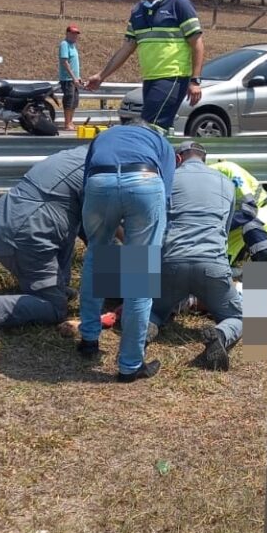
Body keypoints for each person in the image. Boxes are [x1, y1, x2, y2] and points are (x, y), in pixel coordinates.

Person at [76, 121, 177, 381]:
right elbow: (165, 188)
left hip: (99, 184)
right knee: (139, 273)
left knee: (98, 259)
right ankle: (130, 364)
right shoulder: (160, 142)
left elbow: (88, 175)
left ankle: (89, 339)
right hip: (145, 181)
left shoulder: (105, 135)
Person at [0, 146, 88, 343]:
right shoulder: (105, 171)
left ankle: (53, 288)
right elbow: (103, 234)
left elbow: (88, 228)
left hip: (6, 222)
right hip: (26, 236)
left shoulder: (78, 155)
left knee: (72, 225)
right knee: (56, 308)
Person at [153, 141, 244, 371]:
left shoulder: (167, 180)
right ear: (204, 159)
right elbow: (224, 227)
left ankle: (147, 330)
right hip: (212, 265)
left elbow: (155, 224)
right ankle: (221, 335)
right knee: (239, 316)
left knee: (151, 310)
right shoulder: (226, 183)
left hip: (172, 262)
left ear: (178, 159)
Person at [87, 0, 205, 130]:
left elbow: (197, 42)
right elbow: (127, 48)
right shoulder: (137, 11)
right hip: (150, 78)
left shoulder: (178, 3)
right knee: (158, 129)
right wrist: (101, 76)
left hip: (173, 76)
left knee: (149, 127)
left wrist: (195, 80)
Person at [57, 24, 82, 132]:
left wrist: (78, 77)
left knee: (74, 101)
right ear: (67, 33)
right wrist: (73, 77)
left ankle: (71, 121)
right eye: (72, 33)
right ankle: (67, 123)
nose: (74, 36)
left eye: (76, 34)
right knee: (68, 100)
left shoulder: (73, 46)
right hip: (67, 79)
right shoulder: (64, 44)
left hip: (74, 79)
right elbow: (65, 62)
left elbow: (74, 63)